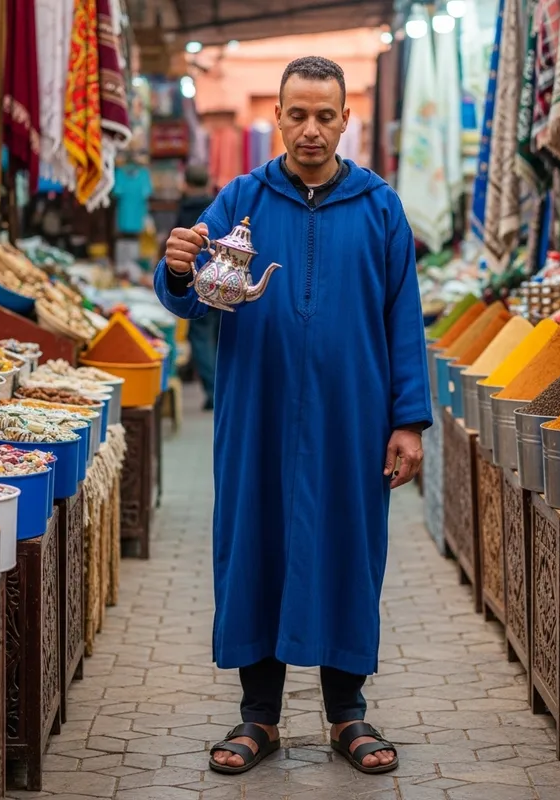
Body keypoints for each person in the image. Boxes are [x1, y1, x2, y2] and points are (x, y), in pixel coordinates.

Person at [154, 56, 432, 777]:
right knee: (257, 541)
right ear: (276, 118)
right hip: (259, 411)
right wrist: (179, 267)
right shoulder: (240, 199)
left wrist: (408, 420)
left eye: (326, 115)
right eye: (298, 114)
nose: (312, 129)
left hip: (354, 414)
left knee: (349, 543)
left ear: (346, 120)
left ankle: (348, 715)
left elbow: (405, 318)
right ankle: (260, 718)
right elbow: (192, 298)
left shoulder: (380, 207)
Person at [175, 165, 220, 410]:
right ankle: (221, 389)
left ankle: (213, 391)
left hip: (197, 282)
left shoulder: (185, 210)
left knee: (201, 337)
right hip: (223, 280)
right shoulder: (218, 207)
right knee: (217, 337)